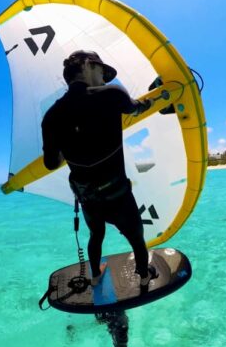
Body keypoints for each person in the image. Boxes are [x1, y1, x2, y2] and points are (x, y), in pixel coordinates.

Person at [41, 50, 156, 288]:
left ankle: (95, 276)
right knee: (136, 238)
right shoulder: (112, 95)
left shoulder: (51, 117)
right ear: (86, 65)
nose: (105, 77)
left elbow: (51, 163)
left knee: (96, 236)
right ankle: (144, 277)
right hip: (118, 195)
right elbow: (136, 108)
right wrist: (156, 97)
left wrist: (69, 146)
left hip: (88, 198)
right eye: (101, 70)